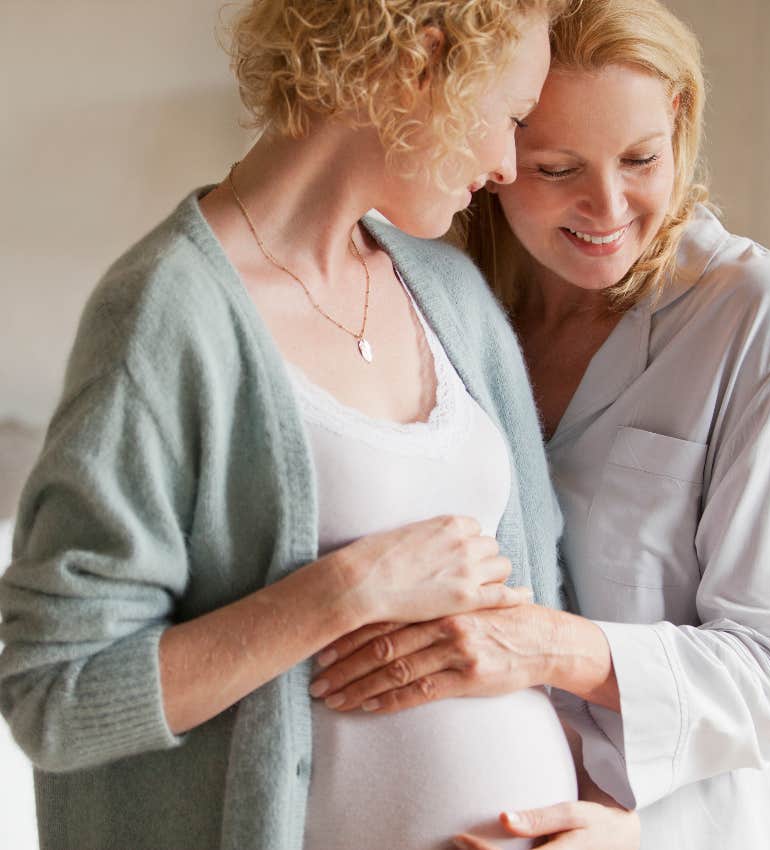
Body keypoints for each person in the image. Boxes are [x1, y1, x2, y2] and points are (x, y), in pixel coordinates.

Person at [0, 2, 639, 849]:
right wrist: (342, 593)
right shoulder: (168, 316)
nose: (503, 162)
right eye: (510, 117)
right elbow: (57, 692)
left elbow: (536, 616)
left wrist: (609, 821)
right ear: (422, 63)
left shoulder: (449, 292)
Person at [311, 1, 770, 848]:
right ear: (491, 147)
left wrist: (546, 650)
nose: (608, 209)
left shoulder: (761, 322)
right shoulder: (438, 297)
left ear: (679, 120)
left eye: (641, 158)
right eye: (557, 167)